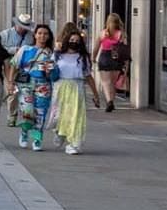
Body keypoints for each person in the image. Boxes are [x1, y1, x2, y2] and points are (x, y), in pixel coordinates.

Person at [51, 22, 102, 154]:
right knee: (58, 115)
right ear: (67, 40)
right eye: (72, 40)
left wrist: (96, 95)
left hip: (76, 88)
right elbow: (50, 69)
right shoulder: (57, 55)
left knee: (75, 116)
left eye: (77, 41)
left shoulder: (83, 58)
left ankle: (74, 143)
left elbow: (89, 77)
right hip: (60, 87)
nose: (74, 42)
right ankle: (60, 132)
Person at [13, 24, 59, 152]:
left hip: (44, 85)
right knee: (27, 110)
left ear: (49, 36)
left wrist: (49, 71)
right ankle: (24, 131)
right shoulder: (26, 49)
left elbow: (54, 76)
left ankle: (37, 139)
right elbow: (14, 64)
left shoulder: (52, 54)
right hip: (27, 83)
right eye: (39, 33)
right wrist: (10, 82)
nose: (42, 36)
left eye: (45, 34)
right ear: (35, 35)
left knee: (40, 113)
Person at [2, 14, 32, 127]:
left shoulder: (31, 36)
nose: (23, 29)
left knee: (26, 91)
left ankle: (26, 116)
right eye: (22, 26)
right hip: (9, 65)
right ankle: (12, 116)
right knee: (12, 92)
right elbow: (0, 48)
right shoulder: (6, 34)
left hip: (25, 66)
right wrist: (15, 50)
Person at [95, 13, 128, 112]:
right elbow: (125, 49)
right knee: (113, 83)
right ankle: (112, 101)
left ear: (108, 22)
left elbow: (96, 47)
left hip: (104, 57)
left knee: (105, 82)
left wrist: (93, 58)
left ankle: (109, 101)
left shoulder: (103, 33)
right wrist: (126, 62)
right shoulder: (122, 34)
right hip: (116, 59)